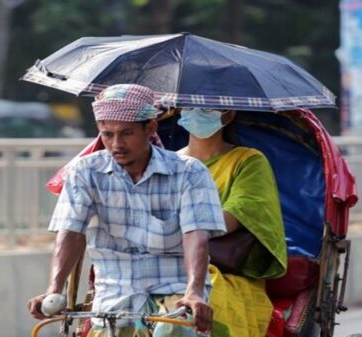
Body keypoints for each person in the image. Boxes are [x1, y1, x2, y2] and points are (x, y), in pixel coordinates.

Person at [28, 84, 227, 337]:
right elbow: (71, 232)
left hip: (174, 291)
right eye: (107, 134)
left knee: (171, 332)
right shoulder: (85, 171)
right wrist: (54, 290)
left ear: (150, 128)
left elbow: (195, 236)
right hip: (113, 295)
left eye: (126, 133)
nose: (116, 144)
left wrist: (194, 292)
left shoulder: (189, 172)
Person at [176, 108, 288, 337]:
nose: (196, 112)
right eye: (190, 105)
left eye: (206, 108)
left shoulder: (249, 162)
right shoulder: (168, 163)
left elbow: (225, 221)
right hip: (164, 265)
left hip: (223, 273)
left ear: (228, 115)